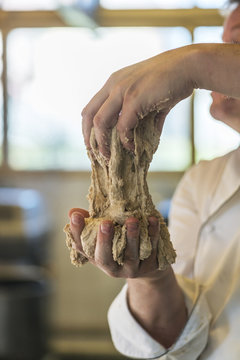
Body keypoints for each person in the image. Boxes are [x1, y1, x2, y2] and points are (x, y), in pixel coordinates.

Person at [68, 1, 240, 359]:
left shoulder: (198, 64)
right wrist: (151, 277)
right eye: (222, 45)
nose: (222, 55)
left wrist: (192, 64)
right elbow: (187, 339)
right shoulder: (203, 181)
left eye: (232, 51)